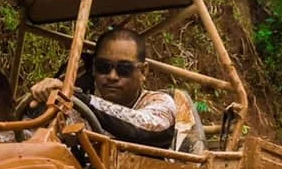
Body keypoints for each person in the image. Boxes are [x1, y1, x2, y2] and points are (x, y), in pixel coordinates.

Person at [33, 27, 177, 147]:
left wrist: (77, 97)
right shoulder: (74, 108)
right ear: (94, 68)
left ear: (143, 71)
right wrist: (42, 96)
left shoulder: (161, 103)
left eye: (124, 69)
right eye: (104, 67)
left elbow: (144, 127)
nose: (112, 76)